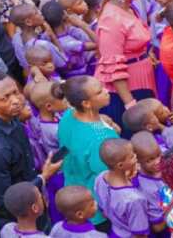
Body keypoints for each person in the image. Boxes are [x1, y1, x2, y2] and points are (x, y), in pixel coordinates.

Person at [0, 71, 62, 236]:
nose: (15, 101)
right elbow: (5, 200)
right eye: (5, 98)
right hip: (19, 220)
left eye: (15, 92)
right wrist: (43, 177)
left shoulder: (5, 112)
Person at [56, 75, 120, 232]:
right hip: (95, 205)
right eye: (99, 92)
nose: (106, 92)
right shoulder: (102, 136)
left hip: (73, 191)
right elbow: (109, 175)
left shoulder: (68, 115)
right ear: (86, 103)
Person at [95, 0, 156, 124]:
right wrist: (130, 104)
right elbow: (113, 65)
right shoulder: (111, 19)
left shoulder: (130, 7)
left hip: (142, 75)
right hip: (126, 87)